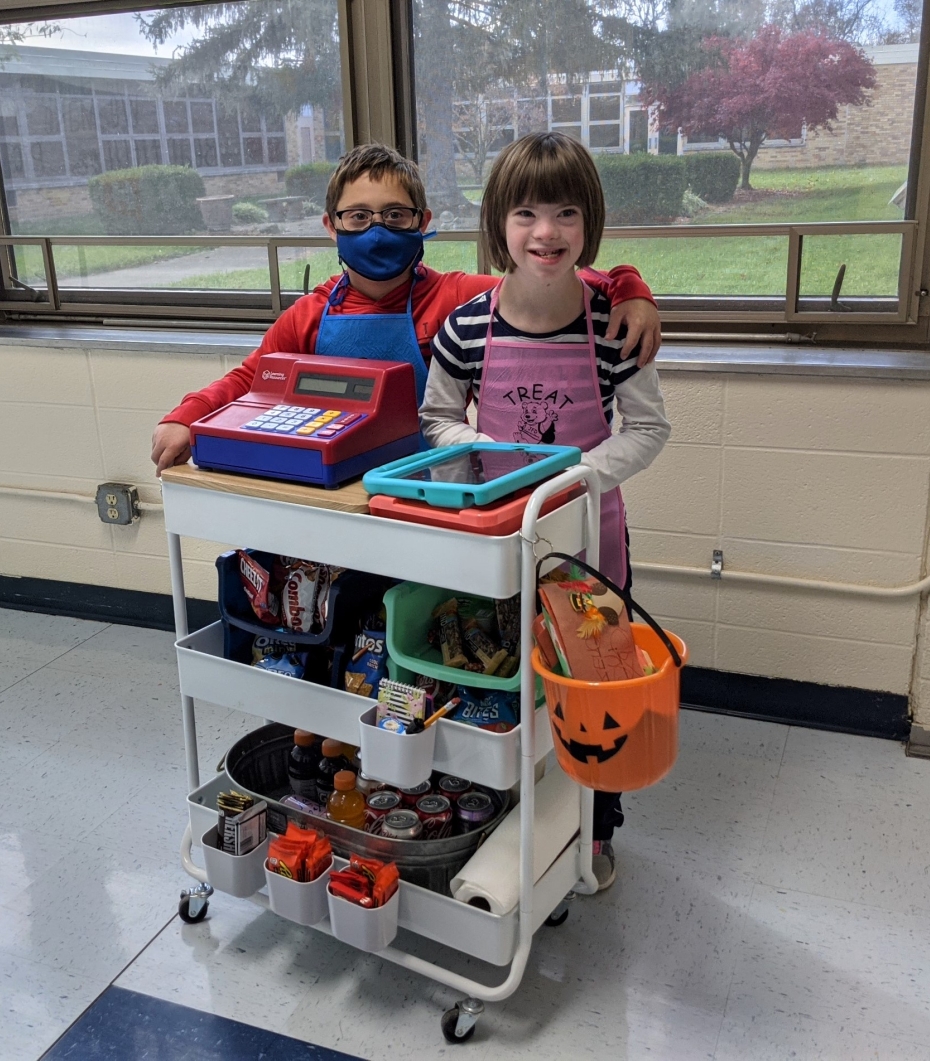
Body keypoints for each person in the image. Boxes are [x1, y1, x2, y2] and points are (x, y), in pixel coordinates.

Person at [419, 132, 672, 891]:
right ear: (499, 221)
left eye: (566, 213)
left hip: (591, 544)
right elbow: (435, 417)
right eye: (526, 213)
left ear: (588, 225)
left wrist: (572, 476)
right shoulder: (467, 325)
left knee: (591, 691)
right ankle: (505, 814)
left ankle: (595, 828)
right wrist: (494, 451)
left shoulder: (612, 324)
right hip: (496, 539)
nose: (547, 233)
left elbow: (650, 427)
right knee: (502, 679)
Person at [151, 143, 662, 473]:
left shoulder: (456, 297)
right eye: (358, 217)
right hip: (336, 489)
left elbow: (546, 273)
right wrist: (187, 417)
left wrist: (627, 286)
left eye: (395, 215)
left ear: (423, 221)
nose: (377, 230)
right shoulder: (307, 315)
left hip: (432, 492)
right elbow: (250, 378)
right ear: (331, 226)